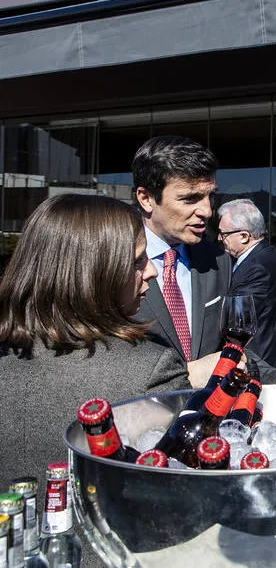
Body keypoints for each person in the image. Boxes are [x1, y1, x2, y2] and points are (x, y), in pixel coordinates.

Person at [0, 194, 190, 486]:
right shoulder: (152, 370)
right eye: (138, 261)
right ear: (97, 272)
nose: (151, 271)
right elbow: (176, 484)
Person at [132, 136, 276, 384]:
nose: (206, 211)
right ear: (146, 198)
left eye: (209, 196)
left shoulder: (216, 260)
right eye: (190, 199)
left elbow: (232, 351)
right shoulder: (113, 263)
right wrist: (188, 375)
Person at [218, 199, 276, 367]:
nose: (219, 238)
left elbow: (237, 319)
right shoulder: (263, 255)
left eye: (224, 233)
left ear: (244, 236)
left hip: (256, 361)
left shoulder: (259, 266)